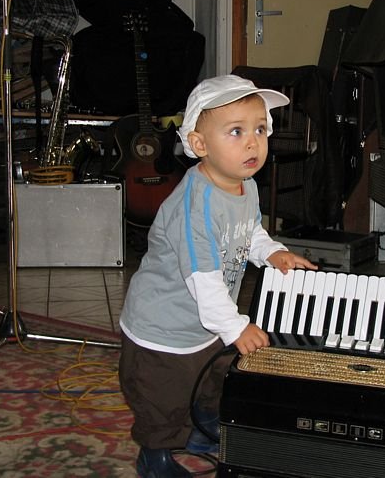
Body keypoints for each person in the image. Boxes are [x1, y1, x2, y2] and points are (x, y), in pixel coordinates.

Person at [118, 74, 317, 477]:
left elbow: (249, 230)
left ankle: (200, 427)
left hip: (206, 322)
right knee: (163, 397)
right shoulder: (195, 206)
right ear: (199, 144)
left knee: (211, 379)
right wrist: (235, 326)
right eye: (236, 131)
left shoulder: (245, 185)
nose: (253, 142)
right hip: (165, 330)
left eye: (260, 129)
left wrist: (272, 251)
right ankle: (154, 456)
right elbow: (203, 278)